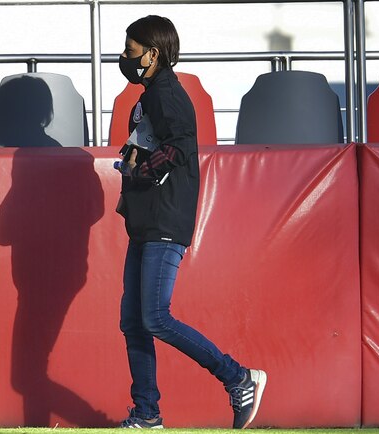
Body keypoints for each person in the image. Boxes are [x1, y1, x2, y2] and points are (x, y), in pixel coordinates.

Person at [115, 15, 267, 430]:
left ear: (152, 53)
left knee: (155, 318)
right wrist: (134, 162)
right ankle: (147, 413)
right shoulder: (150, 95)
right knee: (133, 321)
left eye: (130, 52)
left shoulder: (167, 94)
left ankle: (238, 378)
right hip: (146, 221)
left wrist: (140, 171)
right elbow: (155, 146)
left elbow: (181, 147)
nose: (124, 59)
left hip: (165, 220)